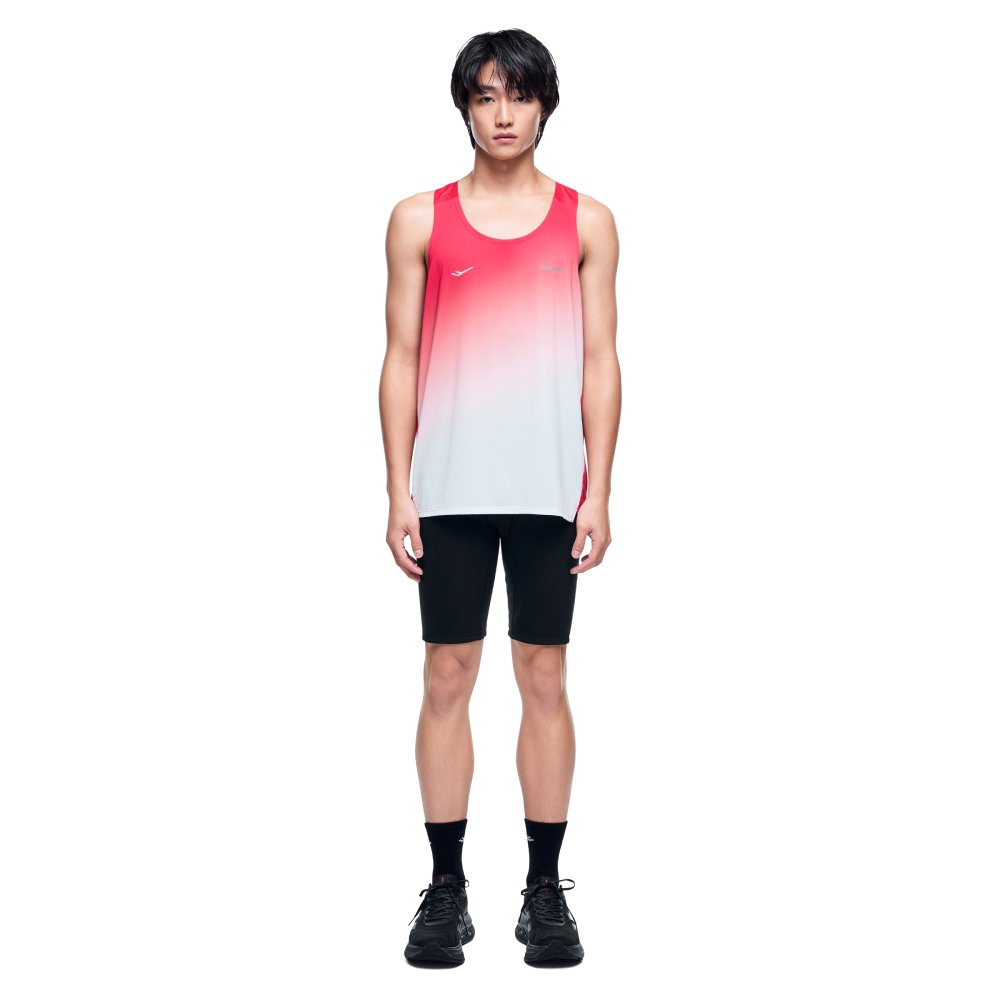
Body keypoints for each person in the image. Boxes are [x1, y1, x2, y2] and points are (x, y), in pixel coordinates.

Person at [379, 28, 620, 967]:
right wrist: (396, 488)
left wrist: (599, 489)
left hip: (549, 489)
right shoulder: (419, 220)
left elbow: (601, 361)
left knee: (544, 677)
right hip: (450, 488)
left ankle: (543, 891)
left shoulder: (587, 222)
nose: (504, 114)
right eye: (485, 97)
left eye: (518, 95)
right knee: (447, 676)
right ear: (465, 108)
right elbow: (401, 358)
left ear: (544, 104)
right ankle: (446, 891)